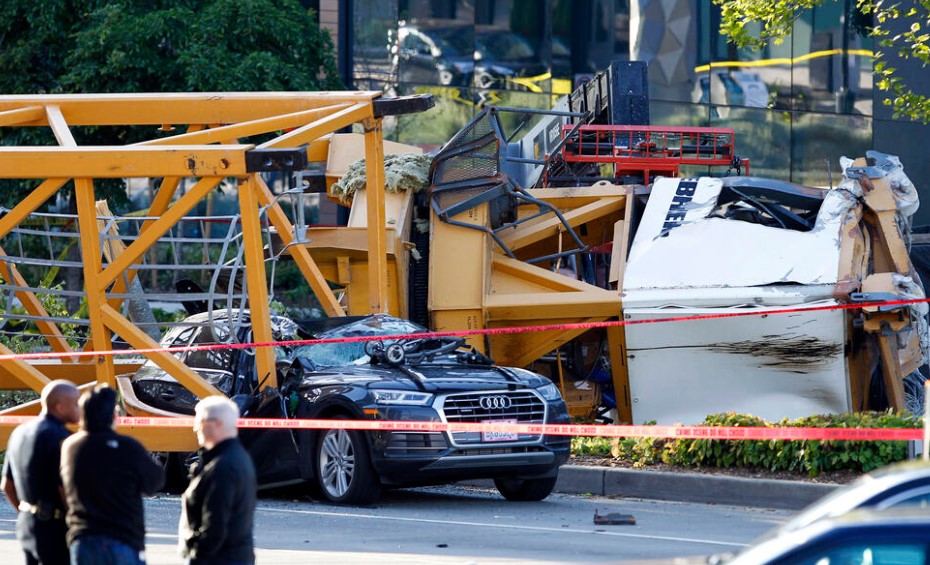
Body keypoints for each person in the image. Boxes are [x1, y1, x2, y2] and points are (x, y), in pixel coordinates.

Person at [60, 384, 165, 564]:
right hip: (121, 538)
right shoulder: (127, 447)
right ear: (114, 415)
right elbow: (155, 482)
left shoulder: (70, 446)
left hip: (83, 539)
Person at [2, 379, 80, 564]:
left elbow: (7, 485)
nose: (79, 408)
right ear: (60, 407)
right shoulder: (61, 439)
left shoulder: (19, 432)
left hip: (27, 525)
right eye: (75, 403)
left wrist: (28, 513)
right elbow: (65, 490)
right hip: (55, 529)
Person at [179, 396, 256, 565]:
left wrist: (197, 557)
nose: (195, 428)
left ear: (217, 424)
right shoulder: (235, 458)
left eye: (199, 422)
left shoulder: (224, 466)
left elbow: (215, 526)